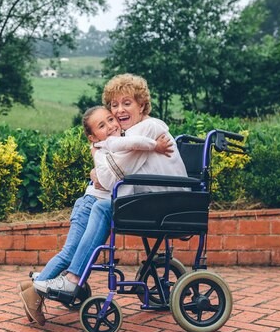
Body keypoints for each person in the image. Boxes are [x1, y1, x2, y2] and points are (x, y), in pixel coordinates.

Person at [31, 73, 188, 309]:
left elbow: (107, 178)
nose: (119, 110)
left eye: (127, 103)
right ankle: (62, 279)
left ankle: (73, 279)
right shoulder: (134, 131)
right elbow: (111, 174)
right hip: (160, 200)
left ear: (142, 105)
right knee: (102, 205)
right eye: (114, 105)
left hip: (166, 203)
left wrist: (96, 160)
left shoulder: (145, 129)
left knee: (104, 207)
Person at [18, 104, 173, 325]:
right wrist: (155, 146)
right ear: (92, 137)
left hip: (92, 202)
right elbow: (115, 166)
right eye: (102, 125)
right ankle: (35, 292)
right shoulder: (104, 148)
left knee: (70, 253)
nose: (111, 126)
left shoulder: (112, 145)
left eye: (110, 120)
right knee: (69, 253)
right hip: (90, 203)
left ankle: (33, 286)